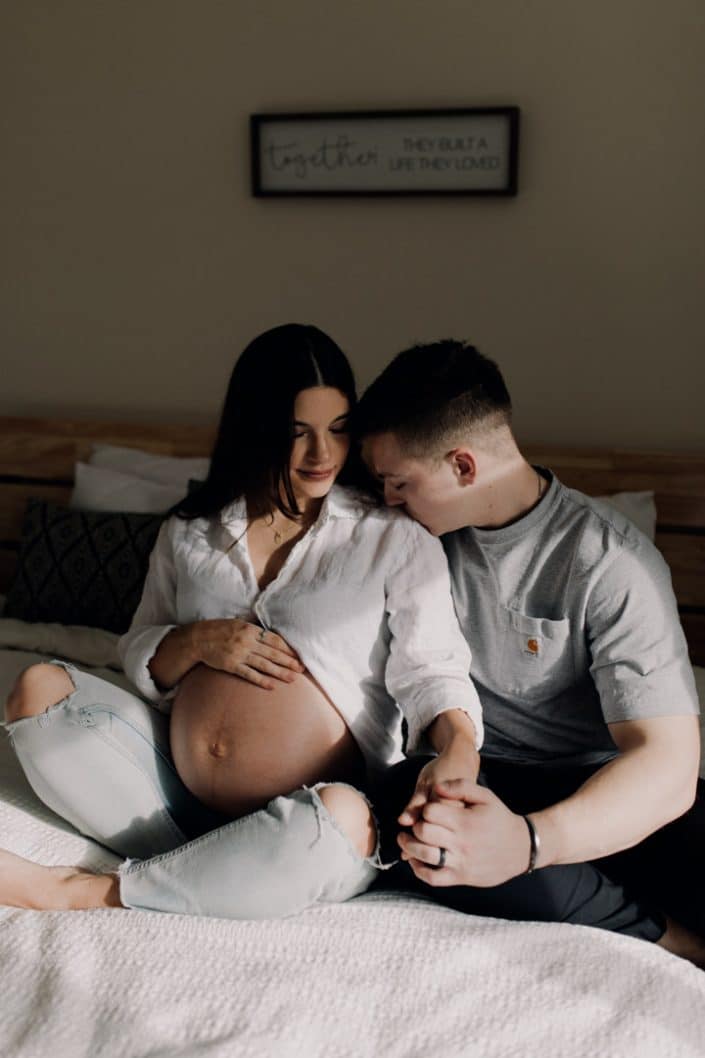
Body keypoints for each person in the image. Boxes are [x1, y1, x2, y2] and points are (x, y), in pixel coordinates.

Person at [0, 324, 482, 919]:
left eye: (337, 430)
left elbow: (433, 670)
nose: (322, 455)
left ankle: (83, 892)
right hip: (170, 800)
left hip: (316, 808)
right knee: (37, 689)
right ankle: (216, 867)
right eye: (298, 433)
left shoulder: (392, 538)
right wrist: (198, 641)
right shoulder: (190, 531)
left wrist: (459, 749)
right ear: (256, 428)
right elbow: (137, 648)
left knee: (341, 819)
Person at [355, 339, 705, 967]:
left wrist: (531, 842)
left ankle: (554, 880)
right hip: (477, 779)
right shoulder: (405, 538)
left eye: (400, 483)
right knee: (419, 816)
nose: (387, 501)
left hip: (597, 786)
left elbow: (667, 766)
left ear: (464, 467)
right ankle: (661, 938)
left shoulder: (609, 562)